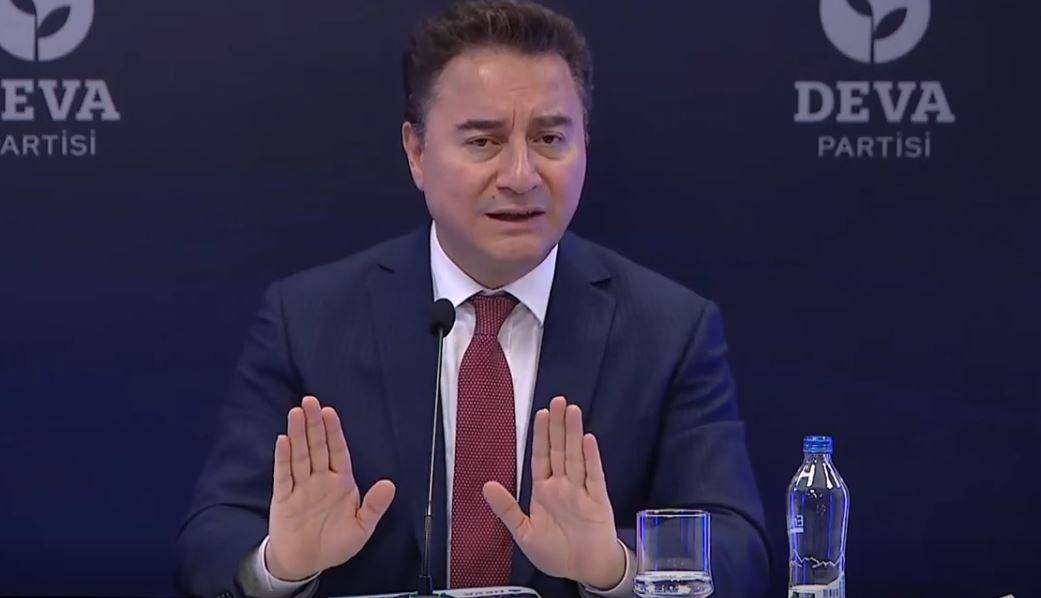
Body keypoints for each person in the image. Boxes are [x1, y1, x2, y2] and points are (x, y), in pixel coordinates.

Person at [175, 1, 769, 597]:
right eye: (484, 141)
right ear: (416, 152)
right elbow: (211, 541)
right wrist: (281, 565)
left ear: (585, 144)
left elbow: (739, 551)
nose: (521, 175)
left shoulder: (669, 330)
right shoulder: (307, 320)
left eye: (549, 138)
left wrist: (617, 567)